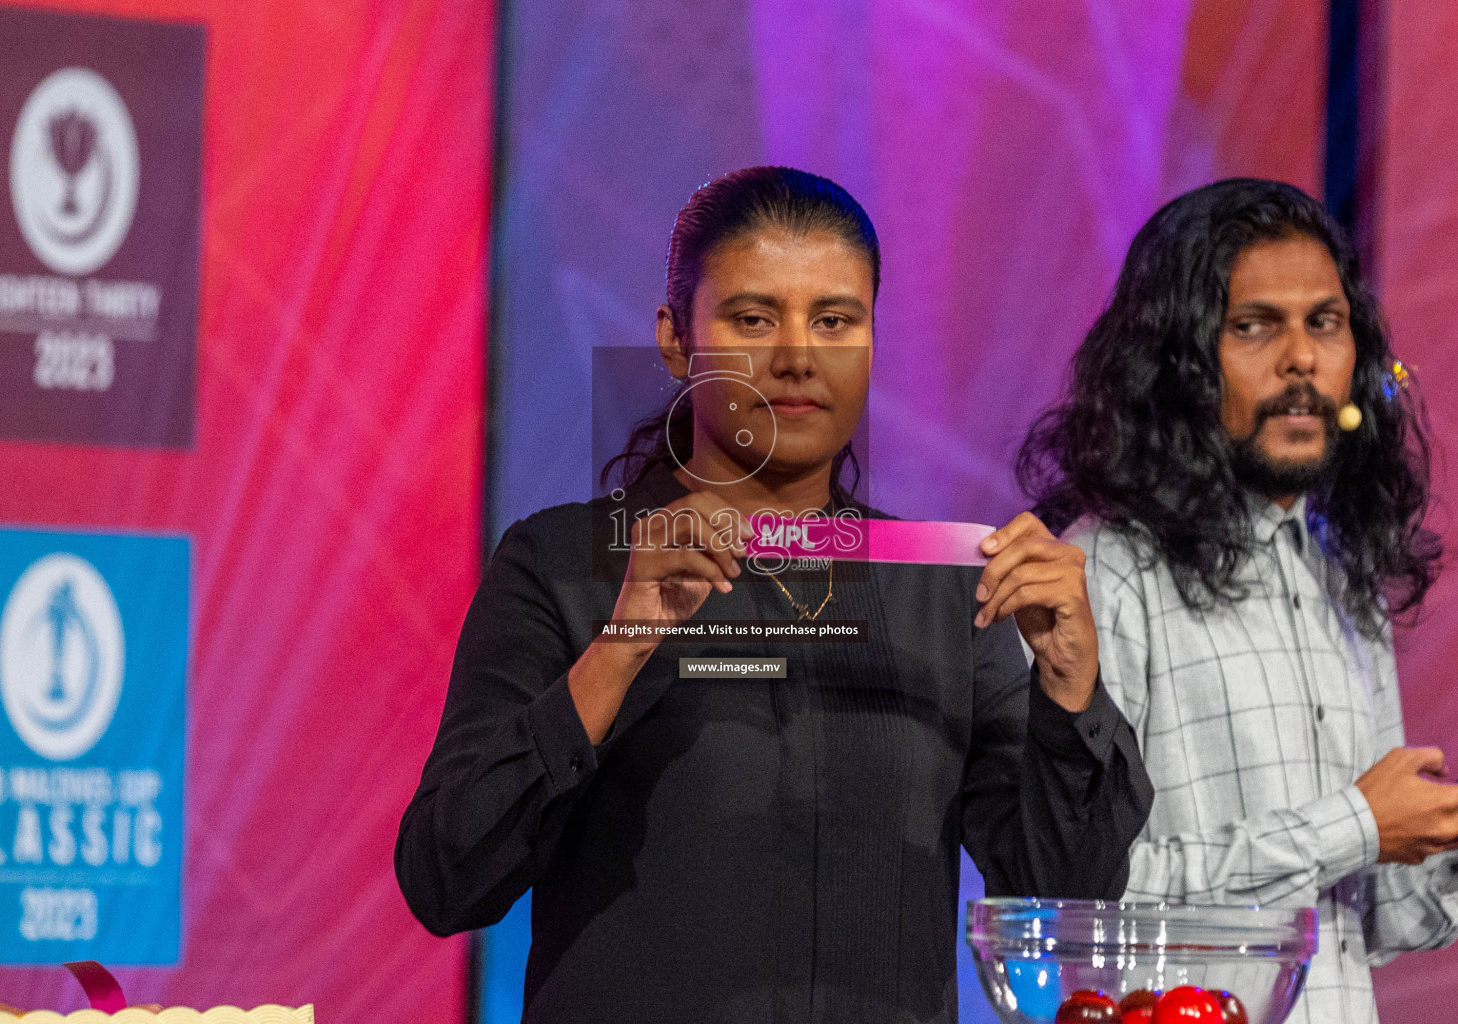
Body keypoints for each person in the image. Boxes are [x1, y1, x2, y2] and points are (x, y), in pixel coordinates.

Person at [396, 167, 1151, 1023]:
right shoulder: (564, 563)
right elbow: (445, 879)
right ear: (677, 340)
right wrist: (618, 649)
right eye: (753, 318)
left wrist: (1070, 685)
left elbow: (1067, 887)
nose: (797, 356)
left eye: (835, 320)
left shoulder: (941, 590)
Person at [1018, 177, 1458, 1024]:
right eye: (1254, 327)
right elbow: (1079, 898)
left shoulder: (1339, 574)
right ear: (1176, 360)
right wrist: (1354, 822)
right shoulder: (1102, 570)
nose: (1303, 361)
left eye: (1325, 322)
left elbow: (1374, 918)